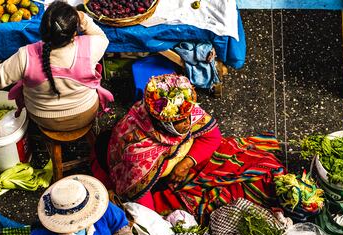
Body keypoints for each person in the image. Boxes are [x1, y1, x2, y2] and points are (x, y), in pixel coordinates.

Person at [91, 73, 283, 222]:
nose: (188, 123)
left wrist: (187, 162)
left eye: (188, 117)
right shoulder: (138, 152)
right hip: (154, 183)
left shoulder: (181, 110)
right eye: (182, 121)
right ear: (163, 123)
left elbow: (212, 136)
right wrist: (157, 225)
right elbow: (143, 203)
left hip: (177, 162)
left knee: (243, 167)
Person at [0, 2, 112, 131]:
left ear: (41, 30)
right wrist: (83, 18)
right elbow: (102, 37)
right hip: (85, 113)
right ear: (74, 34)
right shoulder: (90, 47)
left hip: (44, 119)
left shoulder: (26, 55)